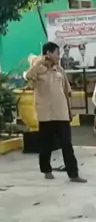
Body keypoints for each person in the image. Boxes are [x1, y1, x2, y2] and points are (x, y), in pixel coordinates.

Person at [25, 42, 87, 183]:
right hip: (45, 114)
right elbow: (28, 76)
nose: (59, 56)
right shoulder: (37, 69)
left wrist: (69, 112)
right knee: (46, 144)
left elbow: (66, 91)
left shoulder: (60, 70)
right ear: (48, 53)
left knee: (67, 143)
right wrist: (40, 63)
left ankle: (73, 174)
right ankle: (46, 170)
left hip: (61, 113)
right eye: (57, 53)